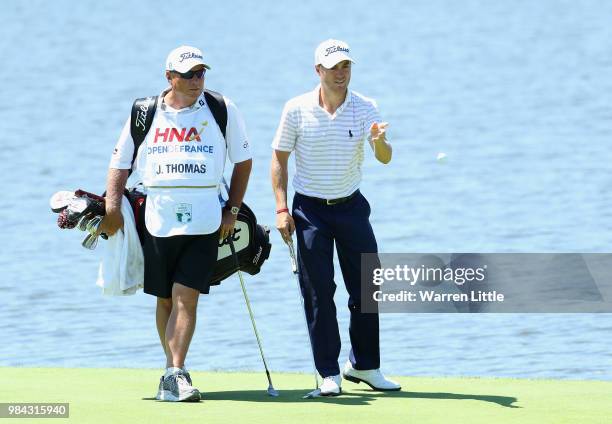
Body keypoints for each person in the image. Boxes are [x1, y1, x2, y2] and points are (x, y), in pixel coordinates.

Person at [100, 45, 252, 402]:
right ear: (169, 77)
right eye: (188, 75)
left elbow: (243, 162)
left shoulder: (221, 108)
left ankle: (175, 371)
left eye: (201, 73)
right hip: (158, 220)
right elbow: (120, 163)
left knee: (187, 298)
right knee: (165, 299)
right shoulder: (145, 112)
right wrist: (112, 208)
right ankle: (172, 373)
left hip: (205, 220)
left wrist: (232, 209)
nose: (196, 80)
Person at [271, 39, 400, 396]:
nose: (341, 73)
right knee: (319, 292)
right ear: (318, 71)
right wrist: (282, 209)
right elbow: (278, 159)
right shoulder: (296, 109)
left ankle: (365, 366)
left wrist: (380, 141)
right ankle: (329, 373)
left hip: (351, 207)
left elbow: (385, 157)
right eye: (333, 67)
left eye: (346, 66)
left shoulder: (365, 107)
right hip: (309, 211)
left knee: (367, 288)